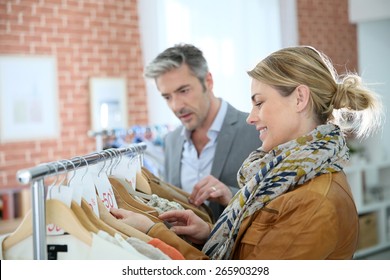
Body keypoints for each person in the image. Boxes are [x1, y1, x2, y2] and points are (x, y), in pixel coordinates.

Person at [111, 46, 383, 259]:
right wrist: (209, 234)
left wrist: (153, 232)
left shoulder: (312, 201)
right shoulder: (276, 173)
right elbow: (255, 251)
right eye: (167, 96)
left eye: (259, 103)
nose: (251, 118)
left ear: (300, 99)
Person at [143, 44, 261, 220]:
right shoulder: (171, 141)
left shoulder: (256, 131)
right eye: (167, 97)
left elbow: (278, 205)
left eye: (184, 91)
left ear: (208, 81)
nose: (176, 106)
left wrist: (231, 195)